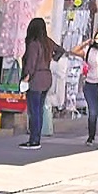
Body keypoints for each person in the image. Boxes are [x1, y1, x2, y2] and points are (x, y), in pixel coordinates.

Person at [19, 17, 64, 150]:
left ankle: (34, 140)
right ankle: (36, 138)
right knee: (39, 109)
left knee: (34, 111)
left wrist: (26, 77)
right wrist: (53, 58)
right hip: (46, 77)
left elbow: (31, 63)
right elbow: (61, 50)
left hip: (36, 78)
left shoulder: (33, 44)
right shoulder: (47, 42)